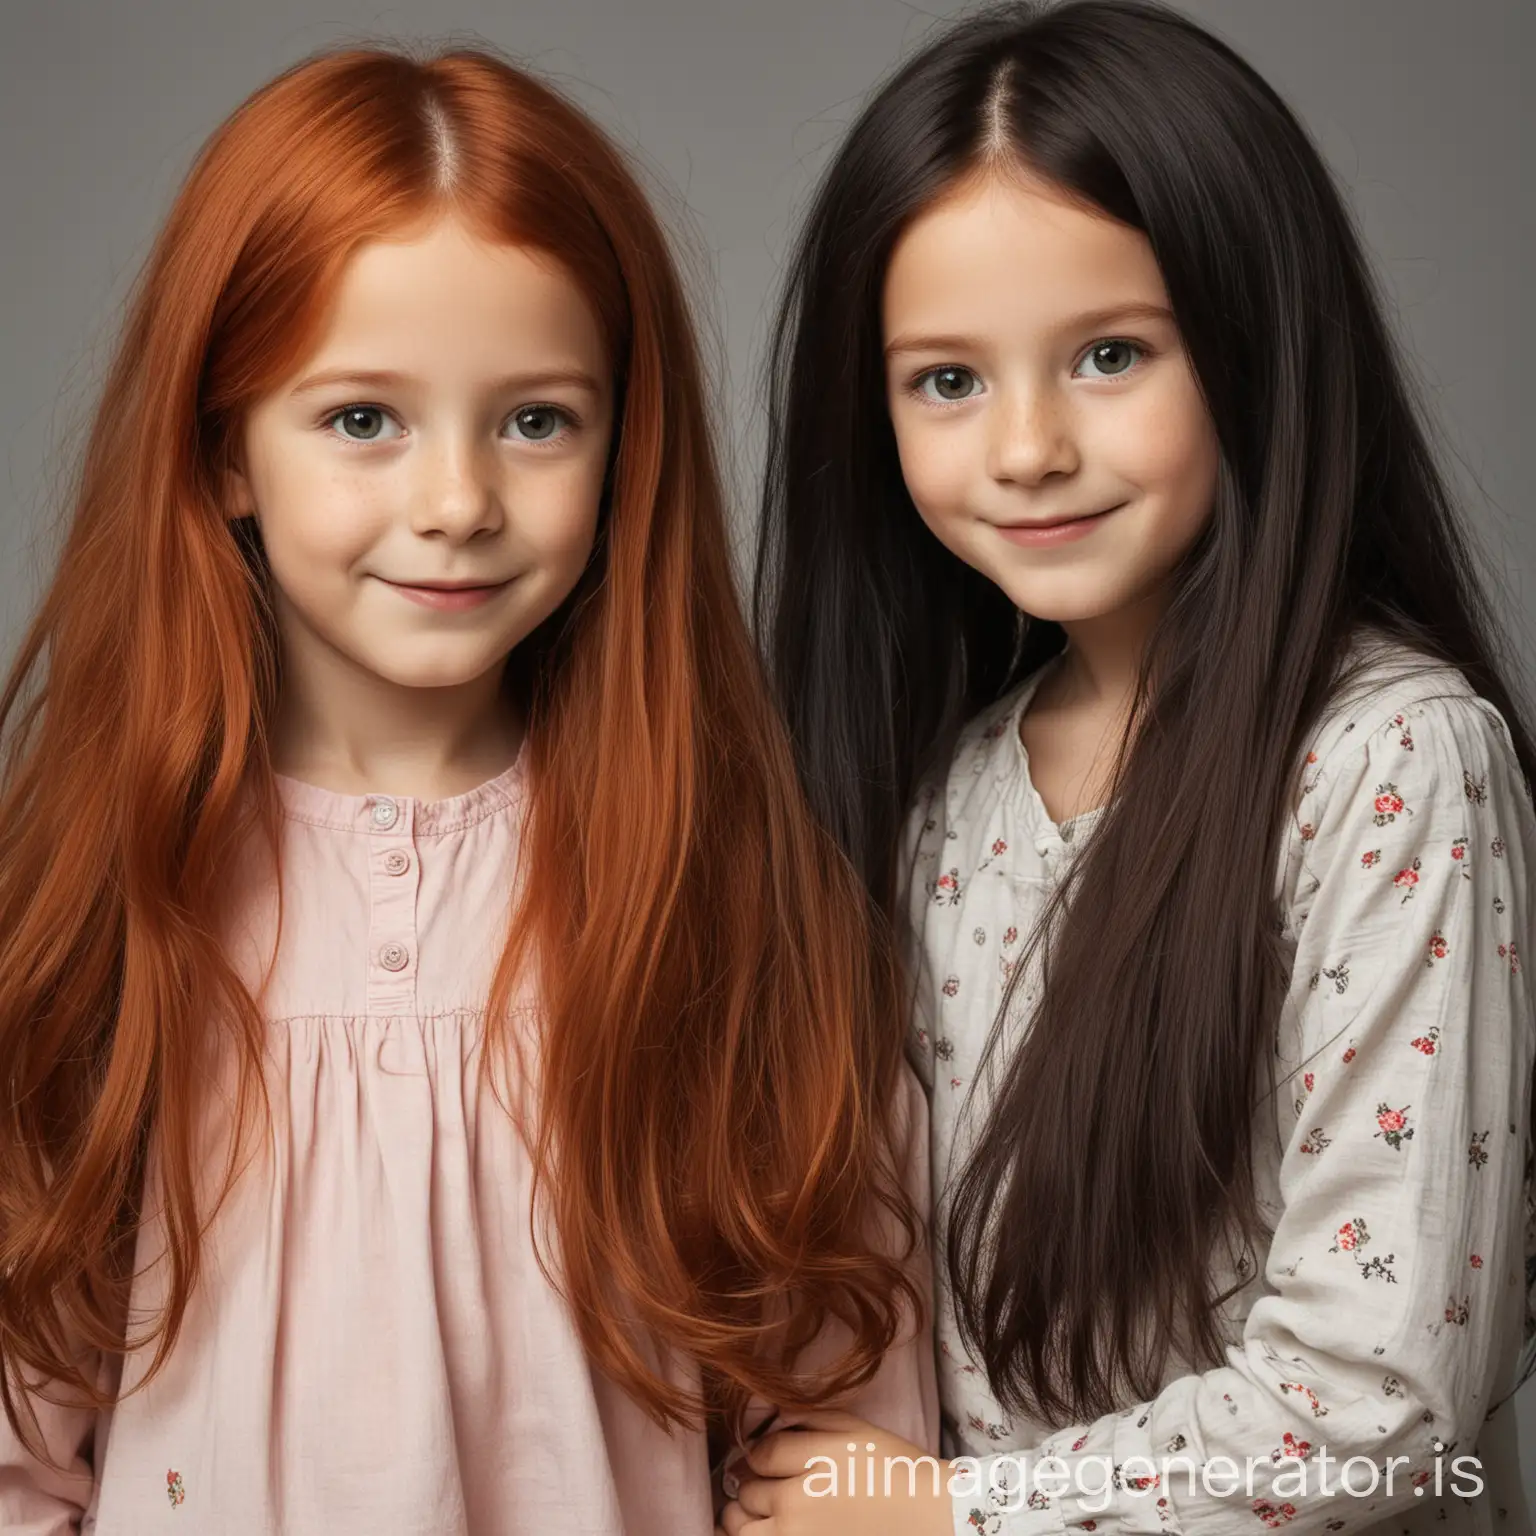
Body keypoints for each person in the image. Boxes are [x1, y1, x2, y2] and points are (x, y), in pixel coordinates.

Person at [0, 44, 936, 1535]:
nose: (457, 502)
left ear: (625, 446)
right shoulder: (93, 914)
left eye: (536, 419)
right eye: (362, 418)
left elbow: (843, 1457)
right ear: (222, 447)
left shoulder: (735, 906)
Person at [729, 2, 1535, 1531]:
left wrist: (949, 1518)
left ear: (1255, 344)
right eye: (946, 381)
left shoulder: (1390, 761)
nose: (1025, 447)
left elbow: (1377, 1402)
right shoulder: (946, 795)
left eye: (1108, 354)